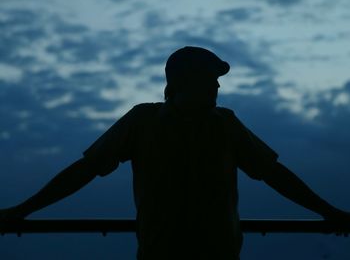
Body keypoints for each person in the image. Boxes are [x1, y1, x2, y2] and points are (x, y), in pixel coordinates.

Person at [0, 46, 349, 260]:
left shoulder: (225, 124)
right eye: (210, 77)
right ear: (185, 82)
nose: (217, 85)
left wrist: (329, 212)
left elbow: (274, 174)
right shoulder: (142, 120)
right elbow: (84, 170)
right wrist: (23, 210)